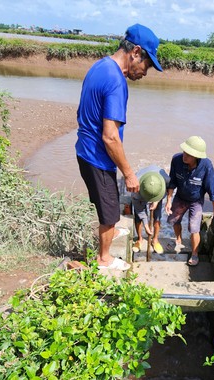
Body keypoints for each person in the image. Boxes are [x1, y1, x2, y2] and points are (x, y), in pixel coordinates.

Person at [75, 24, 162, 271]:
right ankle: (104, 259)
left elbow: (83, 111)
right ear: (135, 52)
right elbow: (111, 137)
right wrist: (130, 173)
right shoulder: (117, 81)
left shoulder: (100, 66)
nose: (145, 72)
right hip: (97, 157)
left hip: (84, 150)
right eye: (147, 65)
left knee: (108, 204)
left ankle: (110, 231)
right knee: (110, 211)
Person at [164, 135, 214, 266]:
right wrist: (169, 200)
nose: (184, 156)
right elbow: (172, 181)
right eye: (184, 152)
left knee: (194, 228)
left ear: (197, 156)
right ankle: (178, 240)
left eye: (189, 154)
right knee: (174, 220)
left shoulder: (206, 165)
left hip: (196, 200)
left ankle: (194, 253)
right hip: (180, 197)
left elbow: (212, 185)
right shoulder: (176, 160)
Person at [130, 167, 169, 254]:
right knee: (138, 216)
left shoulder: (165, 180)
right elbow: (140, 210)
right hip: (142, 190)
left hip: (157, 189)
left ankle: (155, 240)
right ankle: (140, 239)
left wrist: (157, 200)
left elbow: (168, 190)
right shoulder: (135, 190)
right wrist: (146, 225)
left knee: (157, 215)